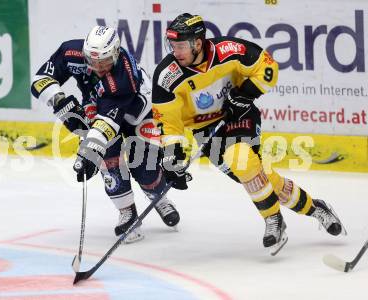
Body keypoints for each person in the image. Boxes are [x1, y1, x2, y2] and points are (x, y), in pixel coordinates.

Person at [152, 13, 346, 255]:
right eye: (172, 46)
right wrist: (173, 160)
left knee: (241, 160)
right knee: (261, 178)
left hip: (238, 116)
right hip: (205, 133)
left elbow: (267, 66)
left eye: (181, 46)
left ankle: (273, 219)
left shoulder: (229, 50)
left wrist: (244, 95)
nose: (175, 51)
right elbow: (169, 125)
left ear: (198, 43)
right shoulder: (166, 76)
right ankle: (316, 208)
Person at [31, 25, 180, 243]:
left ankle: (158, 195)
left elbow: (109, 122)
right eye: (93, 62)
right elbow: (39, 80)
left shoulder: (123, 77)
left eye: (105, 62)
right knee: (109, 161)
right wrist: (61, 102)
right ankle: (127, 212)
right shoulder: (70, 52)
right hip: (99, 107)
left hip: (137, 113)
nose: (99, 68)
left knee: (144, 169)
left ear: (116, 53)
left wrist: (89, 151)